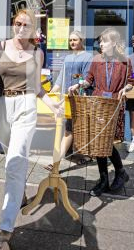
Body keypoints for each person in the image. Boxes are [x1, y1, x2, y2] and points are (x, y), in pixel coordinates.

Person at [0, 9, 61, 250]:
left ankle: (5, 231)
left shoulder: (37, 53)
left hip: (26, 106)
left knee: (16, 161)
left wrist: (53, 105)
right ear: (13, 25)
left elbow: (37, 87)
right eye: (18, 23)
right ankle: (19, 193)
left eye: (26, 25)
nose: (21, 28)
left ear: (33, 29)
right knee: (10, 158)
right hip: (0, 106)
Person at [68, 28, 133, 197]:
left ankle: (118, 172)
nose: (101, 44)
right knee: (100, 141)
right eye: (101, 41)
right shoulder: (96, 59)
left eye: (104, 41)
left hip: (113, 105)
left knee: (107, 142)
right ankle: (106, 178)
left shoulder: (125, 61)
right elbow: (88, 79)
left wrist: (126, 88)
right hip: (98, 105)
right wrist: (78, 85)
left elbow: (131, 82)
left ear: (114, 43)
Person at [44, 30, 93, 171]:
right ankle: (77, 155)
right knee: (69, 129)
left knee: (71, 130)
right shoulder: (67, 58)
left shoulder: (88, 57)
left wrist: (78, 86)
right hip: (66, 99)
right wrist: (51, 93)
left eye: (75, 40)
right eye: (70, 40)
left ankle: (56, 163)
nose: (72, 43)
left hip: (79, 99)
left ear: (81, 41)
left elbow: (85, 78)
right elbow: (61, 78)